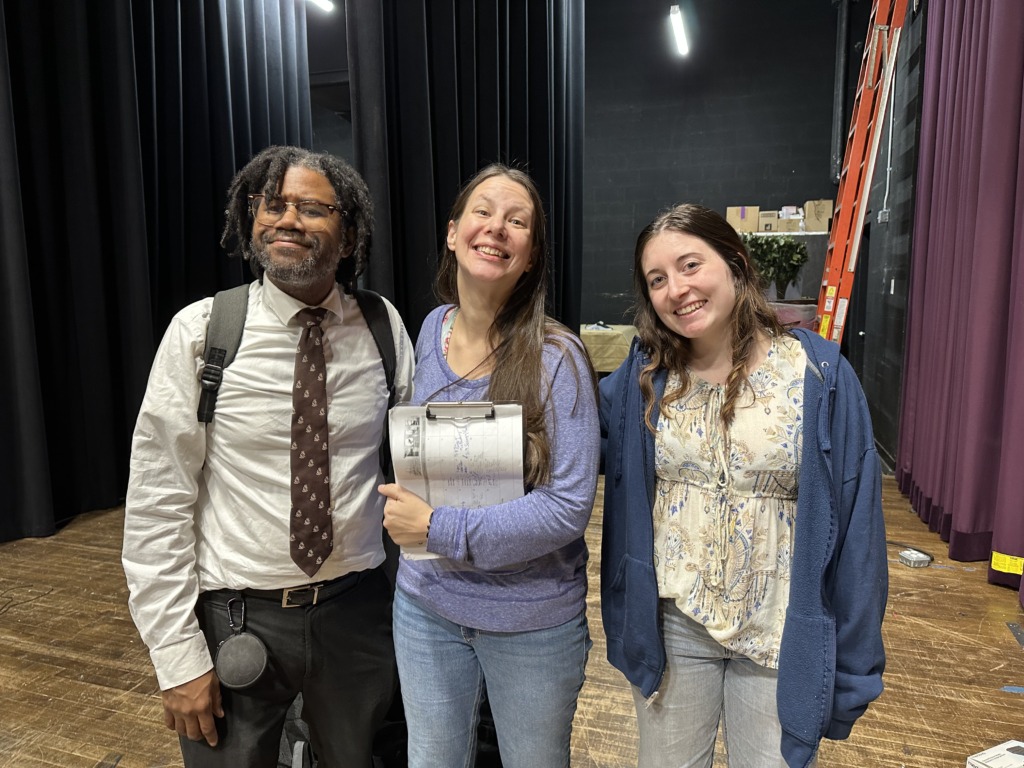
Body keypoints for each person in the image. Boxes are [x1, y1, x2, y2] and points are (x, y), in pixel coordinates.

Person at [122, 145, 414, 767]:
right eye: (272, 203)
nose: (287, 219)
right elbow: (157, 503)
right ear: (249, 216)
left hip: (358, 614)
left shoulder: (384, 329)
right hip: (236, 618)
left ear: (351, 230)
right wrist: (177, 659)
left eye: (312, 207)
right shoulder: (202, 332)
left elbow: (415, 466)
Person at [599, 204, 887, 768]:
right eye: (657, 279)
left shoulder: (819, 377)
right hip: (673, 627)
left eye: (689, 265)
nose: (676, 289)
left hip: (780, 635)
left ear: (734, 261)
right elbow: (568, 439)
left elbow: (860, 533)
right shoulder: (641, 380)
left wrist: (855, 666)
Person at [378, 164, 600, 767]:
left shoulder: (559, 357)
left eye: (517, 220)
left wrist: (437, 530)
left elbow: (567, 507)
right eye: (482, 212)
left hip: (530, 622)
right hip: (425, 606)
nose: (495, 228)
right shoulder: (429, 331)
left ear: (530, 257)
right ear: (453, 233)